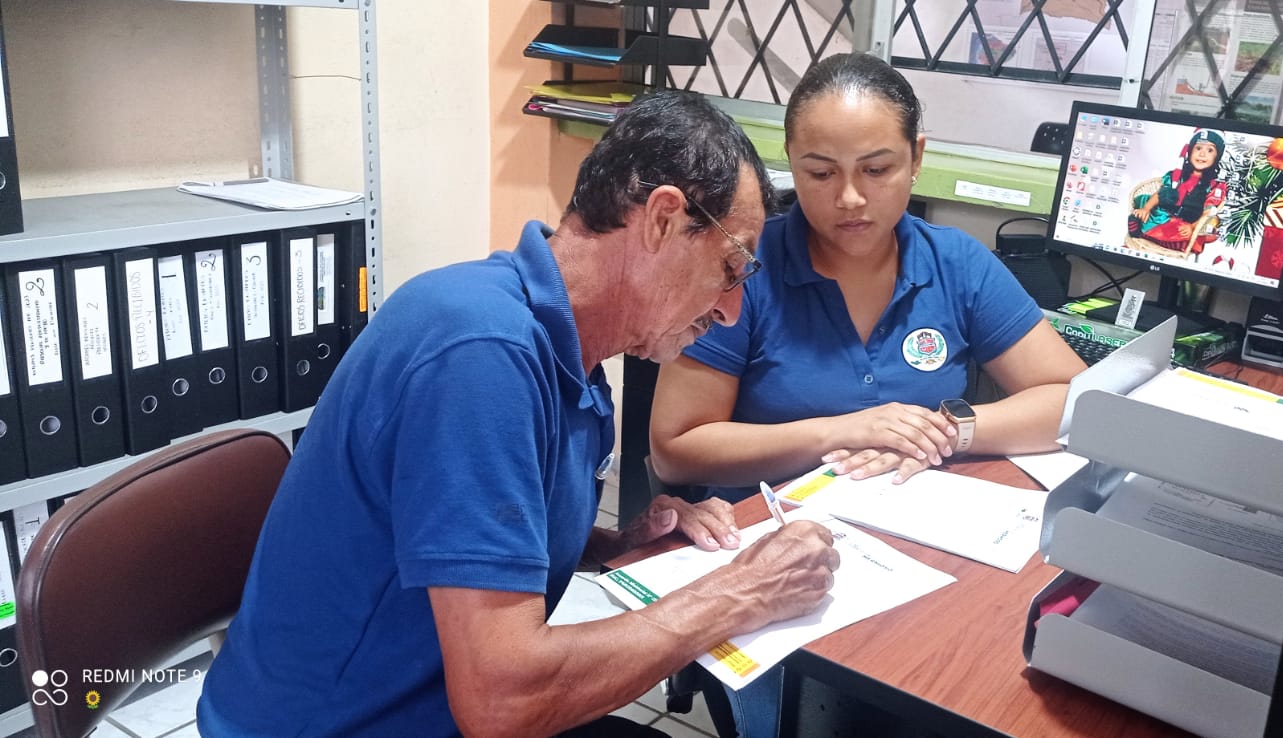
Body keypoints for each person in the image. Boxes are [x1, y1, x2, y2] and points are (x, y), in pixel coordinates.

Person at [197, 91, 841, 738]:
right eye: (731, 267)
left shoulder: (570, 352)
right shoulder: (480, 353)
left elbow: (478, 535)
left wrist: (620, 544)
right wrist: (740, 593)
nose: (730, 310)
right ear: (663, 220)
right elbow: (502, 703)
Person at [647, 53, 1086, 738]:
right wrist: (841, 430)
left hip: (919, 546)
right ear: (791, 166)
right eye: (820, 173)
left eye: (877, 170)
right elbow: (676, 447)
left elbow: (1072, 398)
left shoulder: (954, 263)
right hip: (772, 563)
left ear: (916, 158)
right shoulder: (748, 270)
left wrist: (945, 428)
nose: (850, 198)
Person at [1127, 128, 1228, 255]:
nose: (1202, 154)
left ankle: (1163, 239)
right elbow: (1160, 195)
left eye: (1210, 150)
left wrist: (1192, 227)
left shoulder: (1214, 186)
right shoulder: (1177, 176)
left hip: (1187, 221)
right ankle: (1140, 226)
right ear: (1190, 151)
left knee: (1188, 230)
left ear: (1217, 156)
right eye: (1198, 148)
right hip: (1164, 214)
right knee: (1145, 202)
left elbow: (1207, 212)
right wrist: (1146, 208)